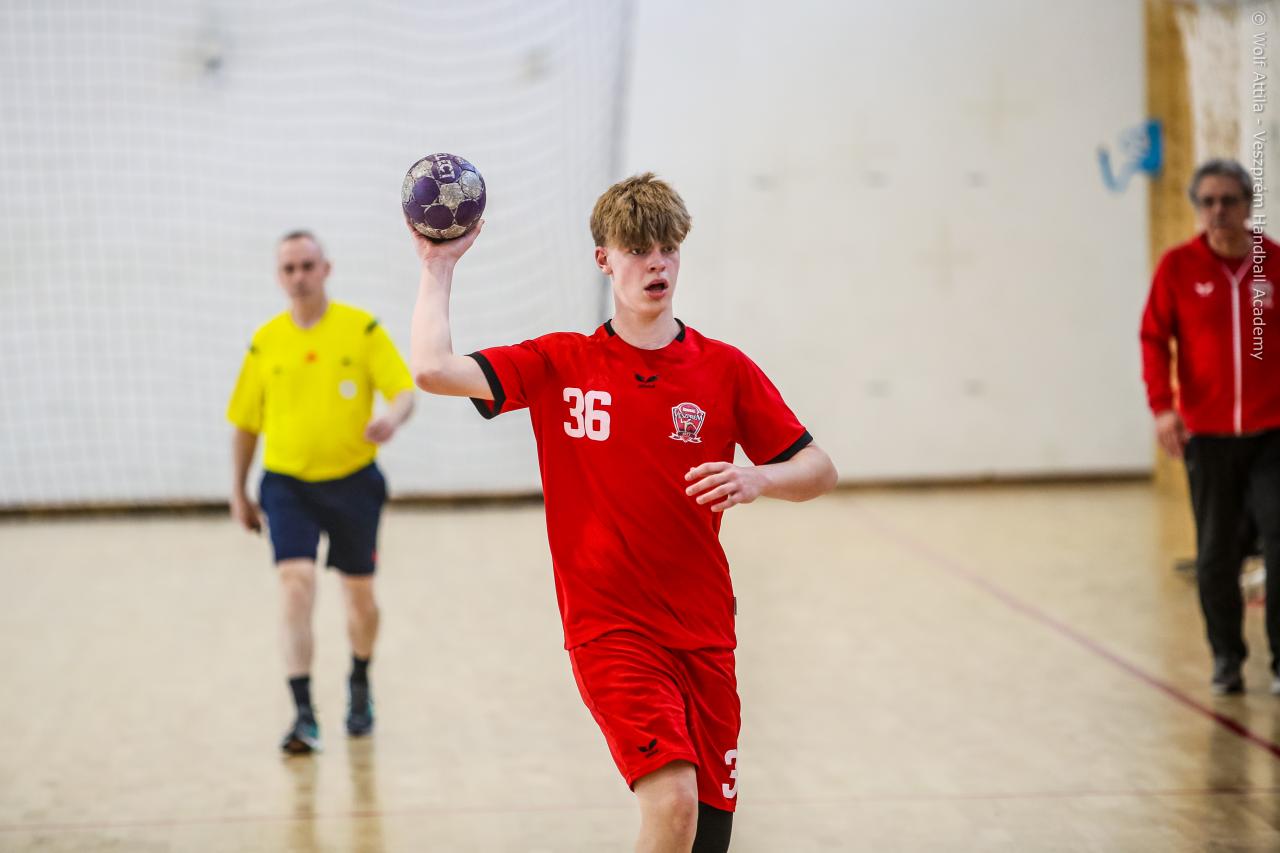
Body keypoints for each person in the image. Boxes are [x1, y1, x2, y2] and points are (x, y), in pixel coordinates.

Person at [408, 174, 837, 852]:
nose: (656, 263)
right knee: (672, 803)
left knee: (708, 833)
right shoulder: (560, 362)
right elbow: (433, 369)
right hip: (611, 629)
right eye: (637, 249)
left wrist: (759, 476)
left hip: (704, 627)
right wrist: (438, 267)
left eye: (668, 248)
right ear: (604, 259)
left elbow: (818, 469)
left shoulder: (724, 369)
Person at [227, 230, 415, 753]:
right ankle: (303, 714)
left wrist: (392, 418)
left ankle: (359, 680)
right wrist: (239, 491)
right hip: (287, 485)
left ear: (326, 269)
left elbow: (403, 391)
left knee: (359, 598)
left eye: (307, 266)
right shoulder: (266, 342)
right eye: (289, 269)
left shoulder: (361, 329)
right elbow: (245, 423)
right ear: (279, 277)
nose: (299, 277)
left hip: (354, 483)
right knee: (296, 582)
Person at [1140, 158, 1280, 695]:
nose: (1218, 211)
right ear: (1197, 208)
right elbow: (1154, 338)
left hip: (1272, 433)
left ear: (1247, 206)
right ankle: (1226, 656)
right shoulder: (1178, 267)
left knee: (1279, 541)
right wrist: (1163, 406)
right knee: (1217, 552)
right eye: (1208, 202)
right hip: (1208, 435)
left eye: (1229, 200)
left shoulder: (1272, 263)